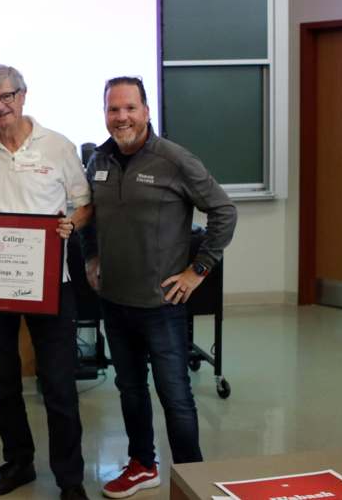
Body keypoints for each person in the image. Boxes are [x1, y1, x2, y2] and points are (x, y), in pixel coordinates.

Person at [82, 76, 237, 498]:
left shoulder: (174, 159)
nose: (122, 117)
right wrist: (92, 257)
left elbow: (224, 211)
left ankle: (192, 479)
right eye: (114, 109)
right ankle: (141, 464)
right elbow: (88, 216)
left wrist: (197, 270)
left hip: (161, 305)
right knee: (129, 390)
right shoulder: (97, 159)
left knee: (175, 396)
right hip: (114, 302)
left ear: (146, 111)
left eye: (130, 108)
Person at [0, 64, 93, 500]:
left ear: (23, 95)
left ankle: (69, 478)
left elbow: (84, 205)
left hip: (52, 282)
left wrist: (70, 224)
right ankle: (18, 462)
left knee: (58, 383)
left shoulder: (58, 147)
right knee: (3, 381)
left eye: (5, 96)